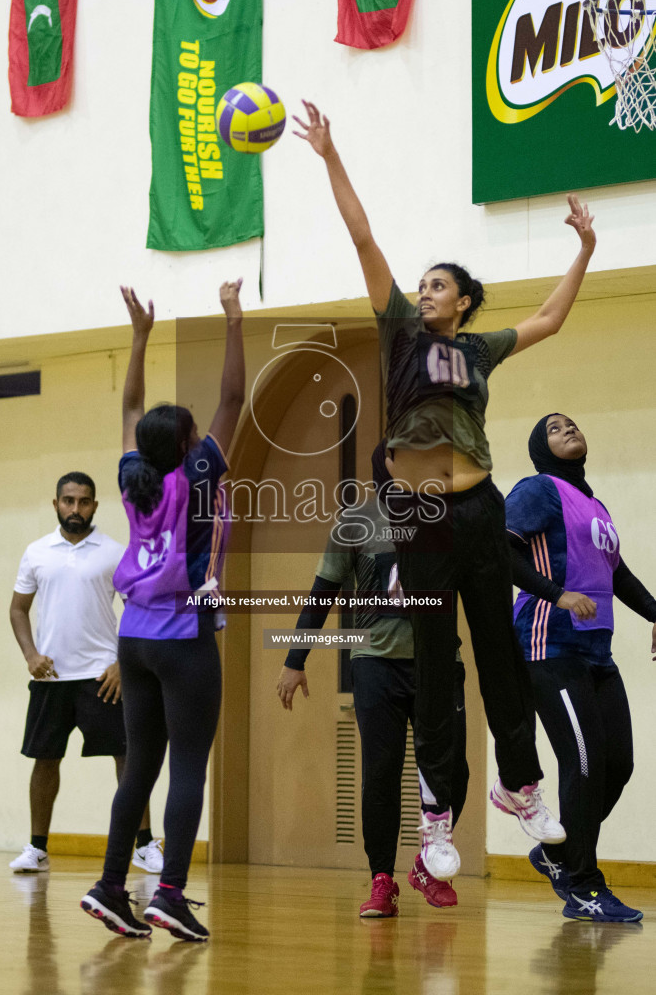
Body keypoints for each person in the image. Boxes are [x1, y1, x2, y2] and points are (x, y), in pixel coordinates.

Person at [295, 100, 596, 879]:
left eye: (437, 285)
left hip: (478, 506)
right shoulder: (398, 331)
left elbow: (550, 320)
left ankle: (521, 787)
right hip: (416, 509)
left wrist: (585, 250)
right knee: (434, 655)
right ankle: (434, 816)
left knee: (496, 652)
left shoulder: (478, 349)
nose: (423, 291)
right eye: (421, 284)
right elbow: (363, 237)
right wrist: (329, 154)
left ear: (461, 300)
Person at [81, 278, 245, 942]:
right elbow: (234, 396)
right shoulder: (200, 470)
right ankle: (169, 893)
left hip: (134, 638)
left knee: (140, 765)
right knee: (187, 769)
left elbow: (129, 407)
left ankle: (112, 884)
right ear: (186, 443)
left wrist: (140, 337)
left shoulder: (131, 478)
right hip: (184, 637)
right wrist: (233, 320)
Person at [276, 441, 468, 916]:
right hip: (376, 662)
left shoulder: (447, 518)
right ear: (388, 463)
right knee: (381, 774)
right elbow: (323, 591)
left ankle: (426, 864)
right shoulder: (356, 520)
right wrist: (295, 658)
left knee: (452, 773)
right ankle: (382, 878)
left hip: (439, 663)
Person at [505, 413, 655, 923]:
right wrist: (557, 593)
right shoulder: (537, 490)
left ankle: (557, 855)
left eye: (571, 423)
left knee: (618, 767)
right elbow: (500, 553)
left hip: (596, 651)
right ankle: (584, 886)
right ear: (540, 448)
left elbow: (619, 574)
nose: (568, 428)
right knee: (584, 765)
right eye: (554, 428)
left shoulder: (594, 503)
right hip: (550, 644)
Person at [9, 472, 162, 875]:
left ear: (95, 505)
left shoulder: (114, 552)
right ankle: (37, 849)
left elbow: (139, 610)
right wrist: (30, 655)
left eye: (84, 501)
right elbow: (17, 609)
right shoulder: (36, 552)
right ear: (55, 503)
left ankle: (144, 845)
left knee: (128, 758)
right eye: (68, 500)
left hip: (103, 677)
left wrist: (122, 664)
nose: (75, 508)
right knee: (44, 760)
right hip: (50, 679)